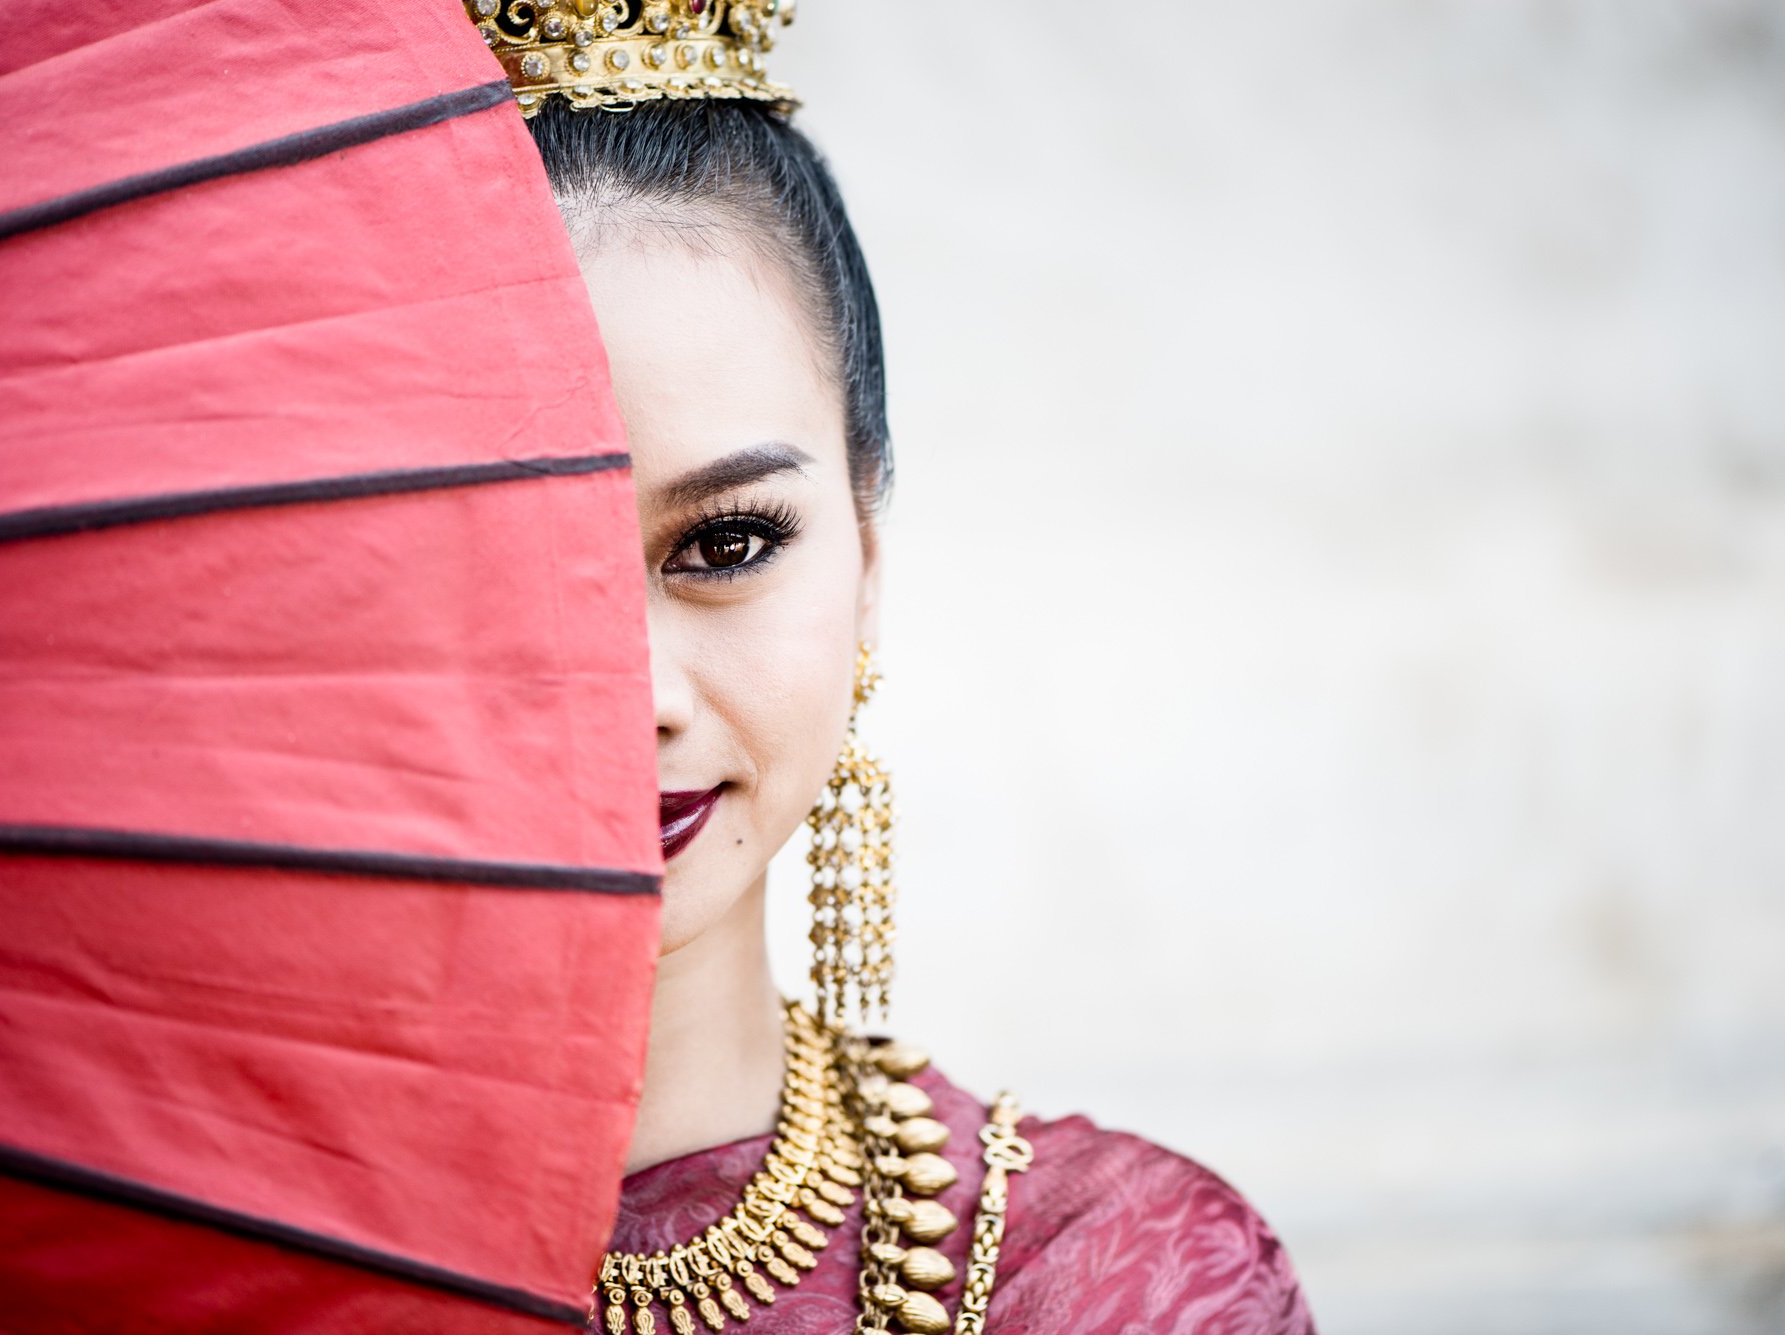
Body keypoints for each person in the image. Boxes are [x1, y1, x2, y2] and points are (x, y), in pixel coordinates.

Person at [482, 3, 1317, 1331]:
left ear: (866, 552)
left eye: (730, 542)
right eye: (514, 571)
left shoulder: (1115, 1280)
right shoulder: (162, 1264)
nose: (638, 695)